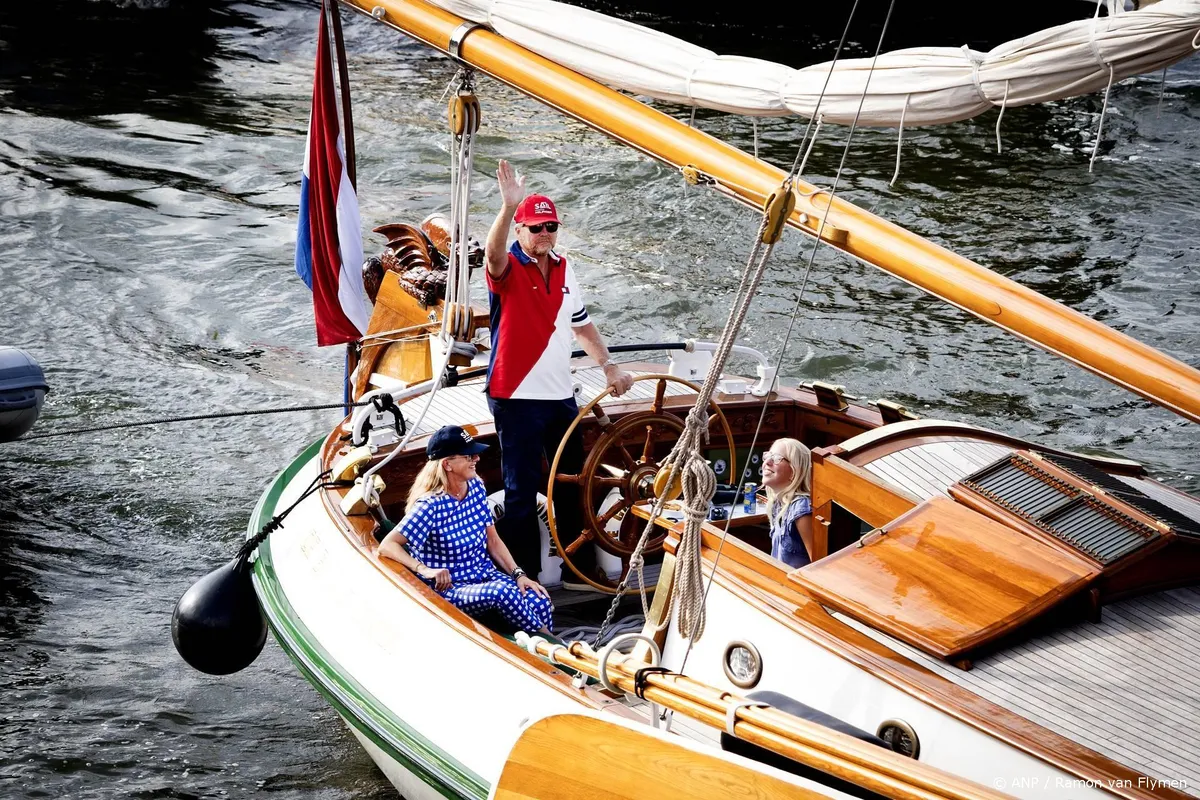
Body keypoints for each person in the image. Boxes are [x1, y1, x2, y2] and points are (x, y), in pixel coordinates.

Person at [483, 159, 633, 590]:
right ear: (520, 231)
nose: (544, 233)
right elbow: (492, 257)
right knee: (520, 491)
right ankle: (523, 579)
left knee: (573, 483)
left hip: (560, 396)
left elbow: (582, 325)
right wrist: (508, 206)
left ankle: (578, 570)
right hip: (515, 395)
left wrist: (609, 365)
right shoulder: (508, 266)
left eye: (550, 226)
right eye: (535, 227)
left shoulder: (566, 269)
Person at [377, 425, 554, 634]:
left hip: (484, 575)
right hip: (452, 588)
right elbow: (387, 545)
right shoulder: (429, 505)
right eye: (469, 456)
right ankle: (553, 646)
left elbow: (493, 541)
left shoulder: (476, 487)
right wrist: (423, 569)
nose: (476, 459)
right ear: (447, 465)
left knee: (539, 599)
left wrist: (519, 575)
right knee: (502, 592)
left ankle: (539, 650)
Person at [761, 437, 815, 569]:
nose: (767, 462)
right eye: (768, 455)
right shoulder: (776, 503)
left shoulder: (801, 509)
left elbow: (817, 565)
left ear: (795, 470)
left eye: (777, 458)